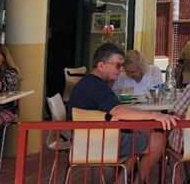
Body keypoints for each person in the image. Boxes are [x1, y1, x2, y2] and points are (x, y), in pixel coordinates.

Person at [68, 43, 178, 184]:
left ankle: (122, 180)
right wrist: (155, 115)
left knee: (137, 135)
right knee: (158, 139)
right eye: (117, 66)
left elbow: (115, 110)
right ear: (101, 66)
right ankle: (137, 181)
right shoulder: (98, 87)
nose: (120, 71)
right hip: (100, 142)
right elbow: (118, 111)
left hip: (83, 141)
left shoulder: (87, 83)